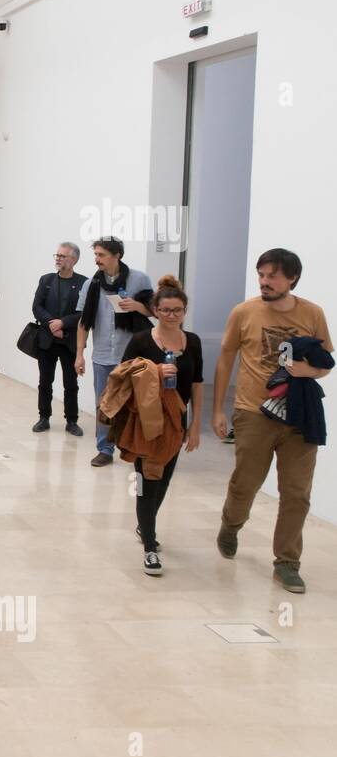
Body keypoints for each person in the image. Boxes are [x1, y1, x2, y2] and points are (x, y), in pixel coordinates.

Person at [213, 248, 333, 593]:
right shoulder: (244, 312)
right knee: (245, 484)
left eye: (272, 276)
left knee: (296, 493)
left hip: (300, 416)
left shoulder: (312, 313)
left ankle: (287, 563)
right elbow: (225, 359)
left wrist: (306, 370)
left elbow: (324, 364)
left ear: (291, 278)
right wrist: (219, 409)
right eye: (261, 275)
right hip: (254, 412)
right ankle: (231, 524)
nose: (265, 282)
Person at [119, 276, 202, 576]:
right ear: (155, 310)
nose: (171, 315)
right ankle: (150, 547)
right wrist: (154, 370)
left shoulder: (191, 342)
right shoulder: (141, 340)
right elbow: (123, 374)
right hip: (147, 422)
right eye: (165, 309)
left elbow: (196, 383)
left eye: (177, 310)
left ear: (185, 311)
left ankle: (145, 525)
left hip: (176, 422)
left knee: (164, 481)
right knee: (146, 482)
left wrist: (194, 426)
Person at [73, 237, 154, 466]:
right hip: (102, 355)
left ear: (117, 255)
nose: (97, 259)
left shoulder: (139, 279)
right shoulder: (91, 284)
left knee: (137, 403)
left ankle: (137, 447)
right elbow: (83, 323)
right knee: (104, 404)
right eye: (96, 255)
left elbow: (154, 310)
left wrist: (137, 306)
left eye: (101, 255)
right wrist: (80, 354)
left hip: (131, 355)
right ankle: (105, 449)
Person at [31, 242, 87, 436]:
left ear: (74, 260)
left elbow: (84, 313)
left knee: (70, 383)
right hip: (47, 340)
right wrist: (52, 324)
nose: (58, 259)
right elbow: (37, 307)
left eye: (63, 256)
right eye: (57, 255)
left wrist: (63, 323)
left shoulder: (83, 283)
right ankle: (44, 417)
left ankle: (72, 421)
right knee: (45, 381)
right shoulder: (46, 280)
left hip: (70, 341)